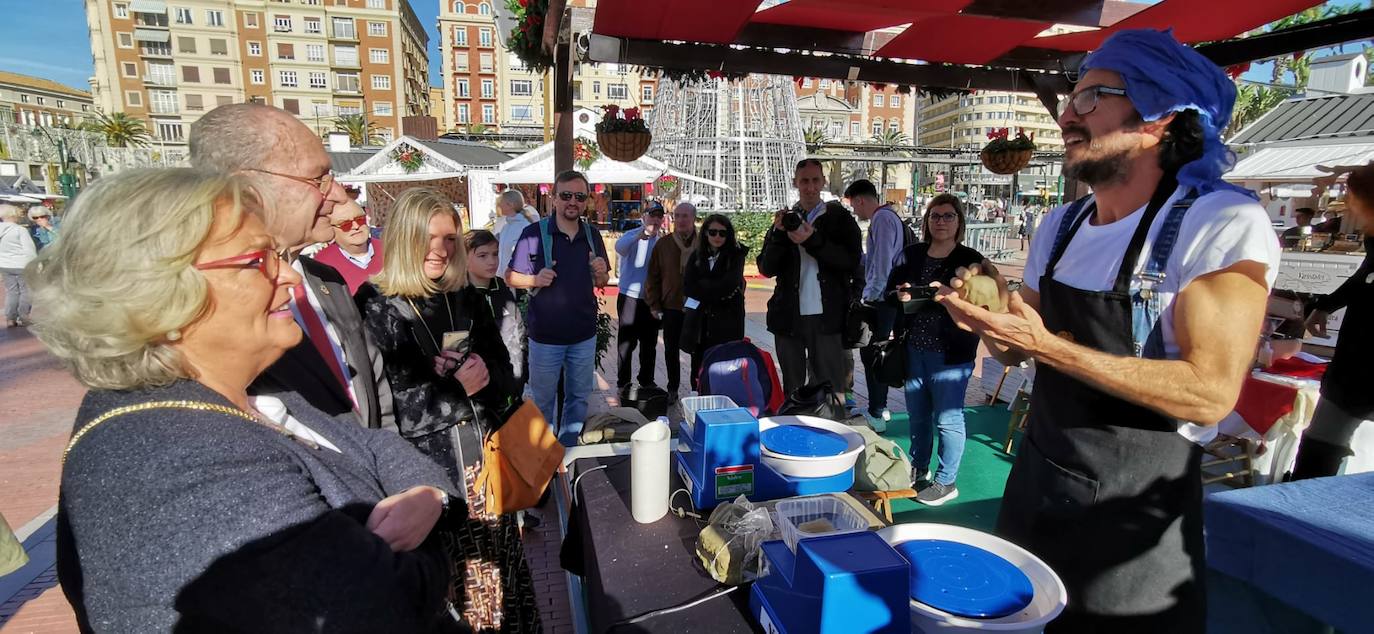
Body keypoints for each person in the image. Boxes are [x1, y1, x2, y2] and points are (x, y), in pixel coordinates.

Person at [936, 30, 1280, 632]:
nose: (1067, 115)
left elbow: (1209, 393)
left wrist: (1048, 347)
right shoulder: (1060, 225)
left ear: (1160, 114)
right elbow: (1013, 353)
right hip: (1038, 485)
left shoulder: (1219, 221)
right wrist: (984, 320)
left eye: (1091, 97)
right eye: (1072, 98)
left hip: (1134, 532)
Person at [37, 169, 462, 632]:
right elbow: (383, 603)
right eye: (258, 260)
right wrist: (426, 543)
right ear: (157, 290)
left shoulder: (249, 392)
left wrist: (429, 495)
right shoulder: (173, 458)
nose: (289, 276)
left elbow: (374, 444)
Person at [358, 187, 540, 633]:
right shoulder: (375, 303)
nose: (439, 250)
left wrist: (483, 372)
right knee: (461, 598)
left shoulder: (463, 295)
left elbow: (507, 375)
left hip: (487, 469)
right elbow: (385, 409)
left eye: (449, 239)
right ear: (403, 238)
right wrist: (452, 386)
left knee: (504, 584)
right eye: (428, 238)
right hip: (430, 482)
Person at [189, 103, 388, 430]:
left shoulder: (327, 281)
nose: (339, 195)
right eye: (318, 178)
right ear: (248, 190)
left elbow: (374, 391)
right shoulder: (210, 311)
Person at [885, 194, 985, 506]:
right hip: (914, 348)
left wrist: (950, 297)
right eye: (935, 216)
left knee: (948, 418)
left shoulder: (971, 260)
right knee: (917, 416)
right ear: (927, 221)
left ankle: (946, 481)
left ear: (959, 221)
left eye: (948, 216)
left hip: (952, 353)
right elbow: (890, 290)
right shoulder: (912, 254)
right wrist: (899, 295)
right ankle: (919, 468)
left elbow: (983, 305)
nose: (941, 221)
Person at [506, 170, 610, 430]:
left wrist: (601, 273)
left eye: (579, 196)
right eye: (566, 195)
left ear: (586, 200)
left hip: (583, 335)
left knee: (579, 399)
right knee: (542, 402)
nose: (572, 201)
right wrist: (534, 279)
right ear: (554, 198)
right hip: (545, 337)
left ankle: (569, 447)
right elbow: (509, 276)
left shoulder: (592, 235)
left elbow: (601, 281)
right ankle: (546, 453)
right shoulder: (534, 233)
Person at [1293, 163, 1374, 479]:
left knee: (1321, 449)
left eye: (1352, 199)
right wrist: (1325, 306)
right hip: (1352, 371)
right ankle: (1302, 498)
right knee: (1319, 448)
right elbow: (1364, 276)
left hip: (1361, 367)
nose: (1348, 207)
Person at [758, 159, 862, 402]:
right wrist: (779, 234)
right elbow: (766, 268)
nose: (810, 187)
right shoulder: (786, 219)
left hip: (828, 318)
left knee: (830, 391)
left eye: (815, 180)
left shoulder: (840, 219)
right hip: (789, 317)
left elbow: (850, 261)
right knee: (793, 390)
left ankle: (829, 425)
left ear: (823, 182)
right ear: (796, 183)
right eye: (804, 181)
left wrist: (813, 240)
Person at [846, 178, 905, 431]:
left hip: (881, 300)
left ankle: (876, 412)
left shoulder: (881, 219)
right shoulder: (889, 217)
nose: (854, 211)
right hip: (888, 298)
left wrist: (870, 296)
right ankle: (878, 406)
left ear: (861, 200)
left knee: (873, 354)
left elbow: (882, 263)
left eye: (853, 205)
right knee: (877, 353)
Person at [682, 214, 748, 383]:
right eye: (713, 232)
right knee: (698, 369)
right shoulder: (697, 256)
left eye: (722, 233)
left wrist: (703, 286)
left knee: (725, 369)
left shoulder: (736, 255)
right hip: (701, 323)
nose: (717, 237)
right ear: (705, 233)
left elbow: (729, 285)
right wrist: (712, 289)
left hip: (727, 323)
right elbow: (688, 286)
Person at [465, 228, 527, 397]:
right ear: (464, 259)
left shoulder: (502, 289)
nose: (492, 261)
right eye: (482, 256)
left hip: (510, 381)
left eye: (495, 254)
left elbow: (519, 331)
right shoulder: (458, 295)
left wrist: (521, 372)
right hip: (478, 388)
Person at [643, 202, 697, 396]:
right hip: (671, 305)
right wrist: (654, 305)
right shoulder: (664, 244)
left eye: (685, 216)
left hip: (697, 308)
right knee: (671, 350)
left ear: (693, 218)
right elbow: (653, 277)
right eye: (678, 216)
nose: (681, 220)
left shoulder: (704, 242)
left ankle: (696, 389)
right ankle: (673, 387)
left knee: (697, 349)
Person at [613, 203, 664, 394]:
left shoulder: (662, 242)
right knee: (626, 343)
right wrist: (639, 236)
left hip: (651, 300)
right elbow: (620, 248)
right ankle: (623, 381)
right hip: (629, 297)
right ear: (644, 216)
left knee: (649, 343)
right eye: (652, 215)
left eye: (659, 216)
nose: (655, 220)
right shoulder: (631, 235)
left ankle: (646, 379)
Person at [311, 199, 384, 295]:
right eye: (345, 224)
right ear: (331, 228)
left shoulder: (391, 251)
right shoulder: (321, 265)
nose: (356, 226)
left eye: (360, 219)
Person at [0, 204, 36, 328]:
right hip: (21, 264)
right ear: (14, 215)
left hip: (5, 265)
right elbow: (29, 249)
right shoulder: (20, 230)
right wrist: (35, 263)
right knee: (26, 291)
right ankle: (23, 316)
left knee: (11, 291)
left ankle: (10, 318)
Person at [495, 189, 539, 278]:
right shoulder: (505, 227)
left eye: (501, 203)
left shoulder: (525, 227)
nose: (499, 206)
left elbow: (532, 255)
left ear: (510, 205)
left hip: (518, 279)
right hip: (503, 278)